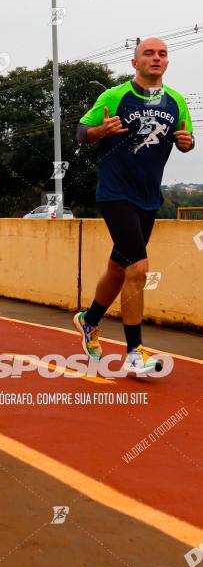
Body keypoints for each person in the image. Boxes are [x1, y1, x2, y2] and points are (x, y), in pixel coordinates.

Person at [74, 37, 195, 375]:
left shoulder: (176, 102)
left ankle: (89, 319)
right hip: (115, 194)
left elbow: (185, 139)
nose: (156, 58)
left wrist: (187, 143)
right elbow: (81, 133)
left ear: (167, 62)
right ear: (135, 63)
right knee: (138, 269)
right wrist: (100, 129)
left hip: (149, 198)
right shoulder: (114, 97)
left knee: (118, 269)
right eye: (148, 53)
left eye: (162, 54)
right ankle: (134, 352)